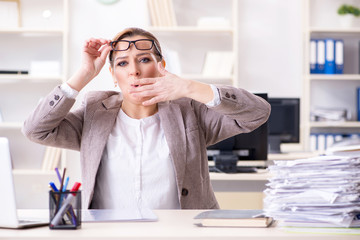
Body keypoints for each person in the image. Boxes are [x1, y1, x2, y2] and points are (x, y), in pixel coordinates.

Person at [22, 27, 270, 210]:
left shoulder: (190, 110)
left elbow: (258, 113)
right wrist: (84, 74)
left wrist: (190, 88)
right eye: (122, 63)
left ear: (161, 65)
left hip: (182, 233)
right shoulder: (94, 111)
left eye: (144, 59)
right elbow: (35, 130)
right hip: (110, 233)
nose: (134, 71)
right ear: (112, 74)